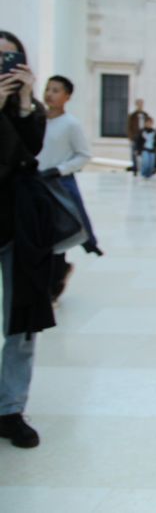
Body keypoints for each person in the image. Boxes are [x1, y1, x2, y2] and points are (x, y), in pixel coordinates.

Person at [0, 30, 54, 449]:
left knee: (21, 325)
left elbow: (29, 154)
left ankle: (10, 408)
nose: (5, 65)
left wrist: (22, 104)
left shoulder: (28, 108)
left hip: (19, 226)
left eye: (11, 58)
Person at [37, 75, 102, 302]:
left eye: (56, 90)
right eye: (48, 89)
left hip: (56, 185)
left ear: (67, 97)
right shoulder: (36, 119)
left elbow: (83, 155)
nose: (50, 94)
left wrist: (60, 169)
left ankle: (55, 279)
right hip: (34, 183)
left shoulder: (71, 125)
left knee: (56, 234)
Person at [126, 99, 149, 176]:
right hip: (135, 136)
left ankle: (143, 168)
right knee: (134, 153)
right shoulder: (132, 116)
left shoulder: (145, 115)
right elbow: (129, 127)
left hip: (143, 137)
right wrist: (130, 137)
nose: (140, 105)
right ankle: (135, 168)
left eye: (141, 104)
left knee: (144, 153)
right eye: (139, 104)